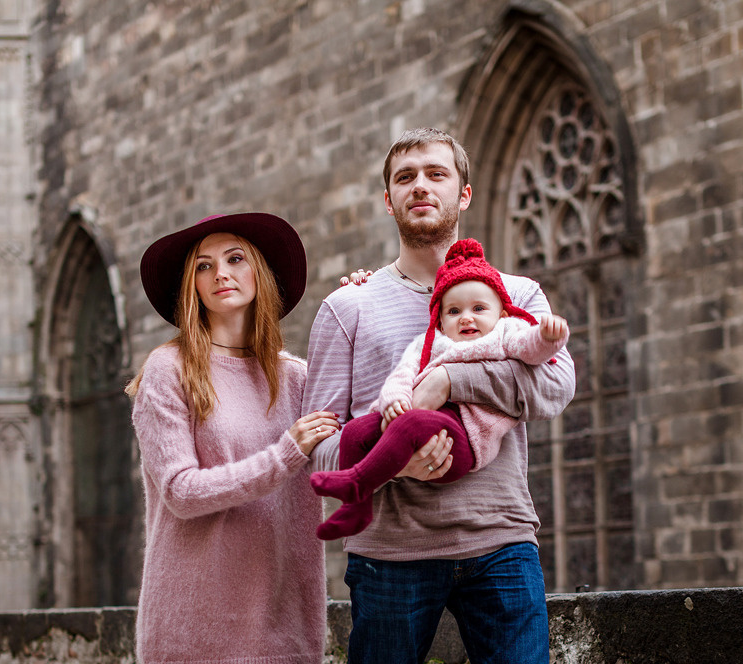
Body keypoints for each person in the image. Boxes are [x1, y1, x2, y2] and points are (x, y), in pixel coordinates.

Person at [303, 128, 576, 663]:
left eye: (436, 174)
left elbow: (555, 388)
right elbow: (319, 448)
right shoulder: (347, 307)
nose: (420, 186)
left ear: (464, 193)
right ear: (388, 200)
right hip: (390, 556)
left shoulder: (518, 295)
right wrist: (394, 462)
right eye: (405, 178)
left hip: (501, 543)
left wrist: (452, 382)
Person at [126, 212, 339, 664]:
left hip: (285, 627)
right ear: (193, 286)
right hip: (192, 633)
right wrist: (285, 454)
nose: (220, 273)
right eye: (204, 266)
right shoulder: (169, 370)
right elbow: (180, 492)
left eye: (235, 258)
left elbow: (353, 448)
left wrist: (365, 302)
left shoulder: (297, 378)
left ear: (259, 271)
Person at [310, 238, 570, 540]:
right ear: (441, 322)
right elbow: (402, 374)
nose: (467, 317)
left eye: (479, 308)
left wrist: (547, 338)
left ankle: (358, 480)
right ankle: (356, 507)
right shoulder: (431, 342)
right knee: (357, 431)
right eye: (454, 311)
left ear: (501, 314)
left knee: (411, 423)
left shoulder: (505, 332)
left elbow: (532, 352)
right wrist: (394, 400)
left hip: (466, 438)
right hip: (391, 535)